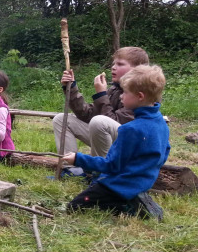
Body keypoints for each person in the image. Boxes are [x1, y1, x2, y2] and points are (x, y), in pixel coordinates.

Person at [62, 65, 169, 220]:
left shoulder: (130, 129)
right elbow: (165, 151)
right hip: (143, 183)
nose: (121, 96)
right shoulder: (160, 122)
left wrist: (78, 159)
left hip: (119, 186)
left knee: (74, 206)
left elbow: (111, 165)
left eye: (125, 92)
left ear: (140, 96)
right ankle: (134, 198)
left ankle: (127, 207)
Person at [52, 46, 149, 177]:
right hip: (109, 138)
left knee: (99, 122)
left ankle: (101, 174)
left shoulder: (140, 94)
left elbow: (114, 122)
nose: (113, 67)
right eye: (114, 63)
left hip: (128, 146)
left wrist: (101, 94)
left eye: (120, 64)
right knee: (61, 119)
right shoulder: (114, 89)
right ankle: (71, 171)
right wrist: (71, 87)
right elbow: (87, 114)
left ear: (137, 69)